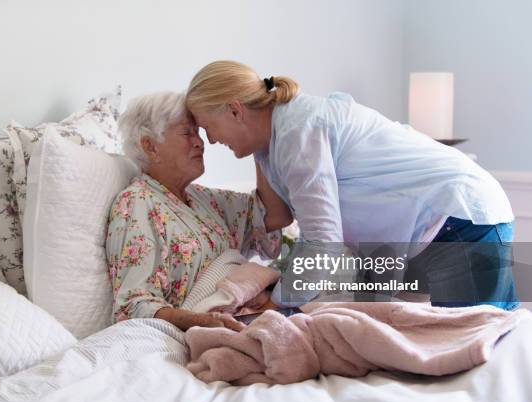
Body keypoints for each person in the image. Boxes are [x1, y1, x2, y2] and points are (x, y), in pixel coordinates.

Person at [185, 60, 519, 310]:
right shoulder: (272, 144)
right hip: (432, 230)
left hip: (458, 219)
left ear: (234, 110)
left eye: (207, 127)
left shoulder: (298, 133)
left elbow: (322, 243)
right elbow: (279, 216)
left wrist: (277, 303)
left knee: (473, 352)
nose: (210, 140)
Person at [106, 91, 292, 332]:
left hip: (261, 307)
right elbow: (134, 306)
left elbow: (272, 216)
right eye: (187, 133)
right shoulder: (136, 204)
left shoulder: (204, 198)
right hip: (222, 324)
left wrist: (257, 140)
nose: (200, 142)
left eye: (198, 132)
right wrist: (206, 322)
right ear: (150, 146)